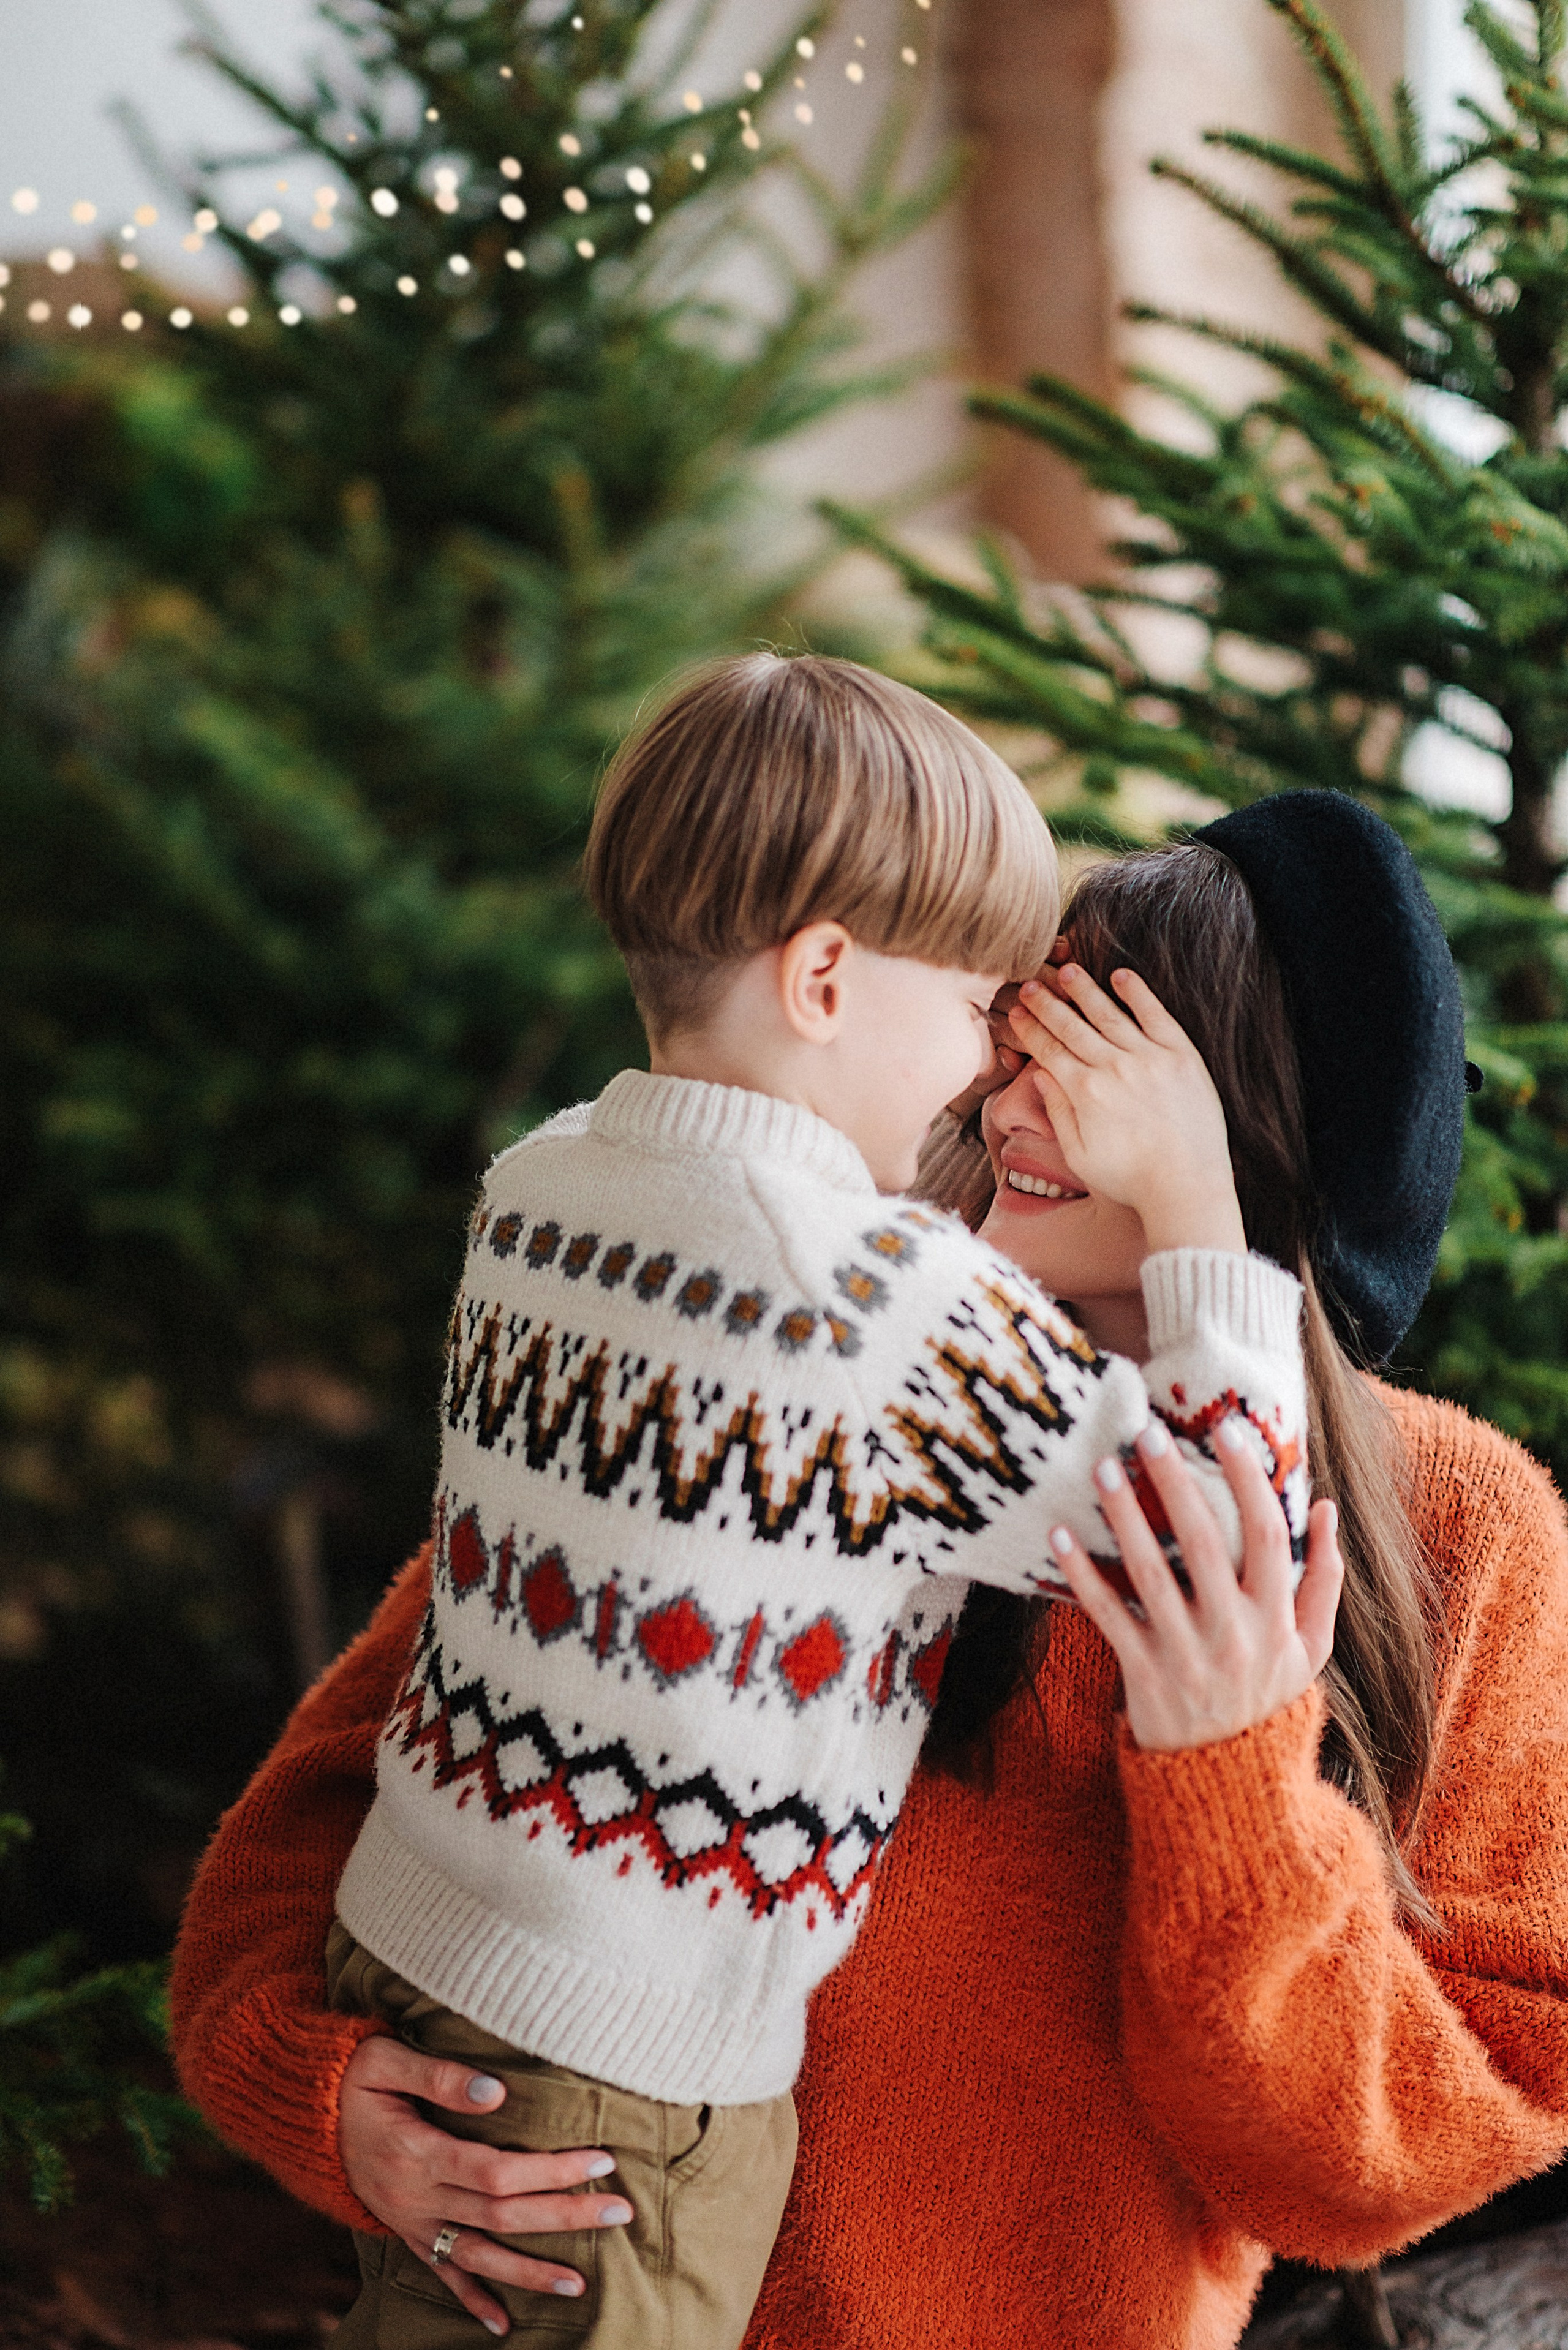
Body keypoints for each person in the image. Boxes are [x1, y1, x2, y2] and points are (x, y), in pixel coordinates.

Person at [170, 790, 1568, 2350]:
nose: (1009, 1095)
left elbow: (1386, 2156)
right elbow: (350, 1794)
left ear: (1252, 1127)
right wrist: (319, 2089)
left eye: (1101, 1059)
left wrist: (1227, 1772)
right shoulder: (791, 1341)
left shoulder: (1467, 1532)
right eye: (1011, 1025)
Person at [269, 650, 1309, 2350]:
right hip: (625, 2085)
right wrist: (1198, 1203)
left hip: (415, 1945)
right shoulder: (867, 1294)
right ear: (825, 973)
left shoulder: (536, 1187)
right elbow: (1221, 1541)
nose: (991, 1067)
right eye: (982, 1003)